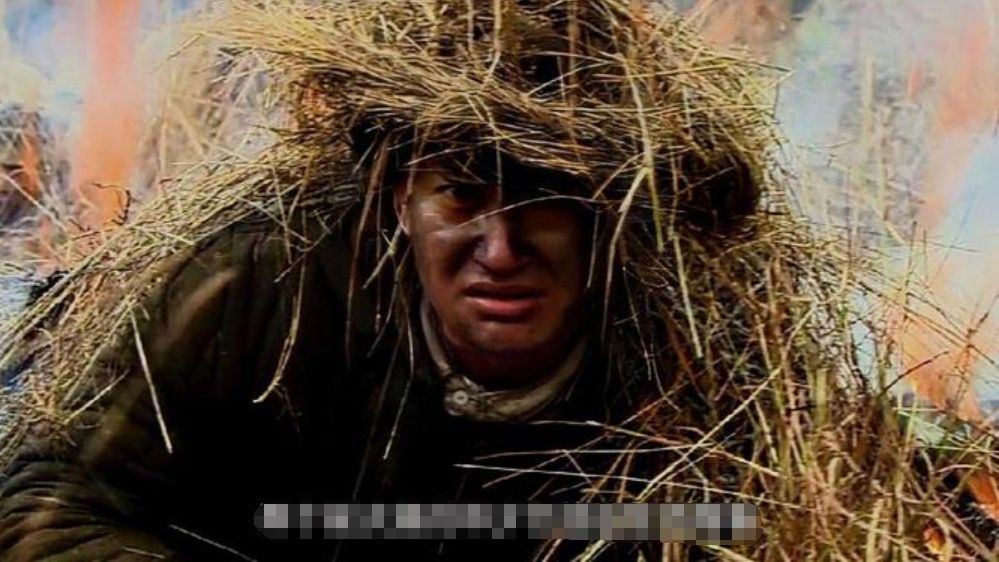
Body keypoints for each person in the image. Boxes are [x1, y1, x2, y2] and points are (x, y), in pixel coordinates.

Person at [0, 1, 988, 560]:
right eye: (463, 194)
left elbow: (804, 509)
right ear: (400, 199)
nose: (502, 247)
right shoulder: (261, 283)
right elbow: (46, 503)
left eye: (544, 199)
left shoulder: (699, 337)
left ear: (607, 215)